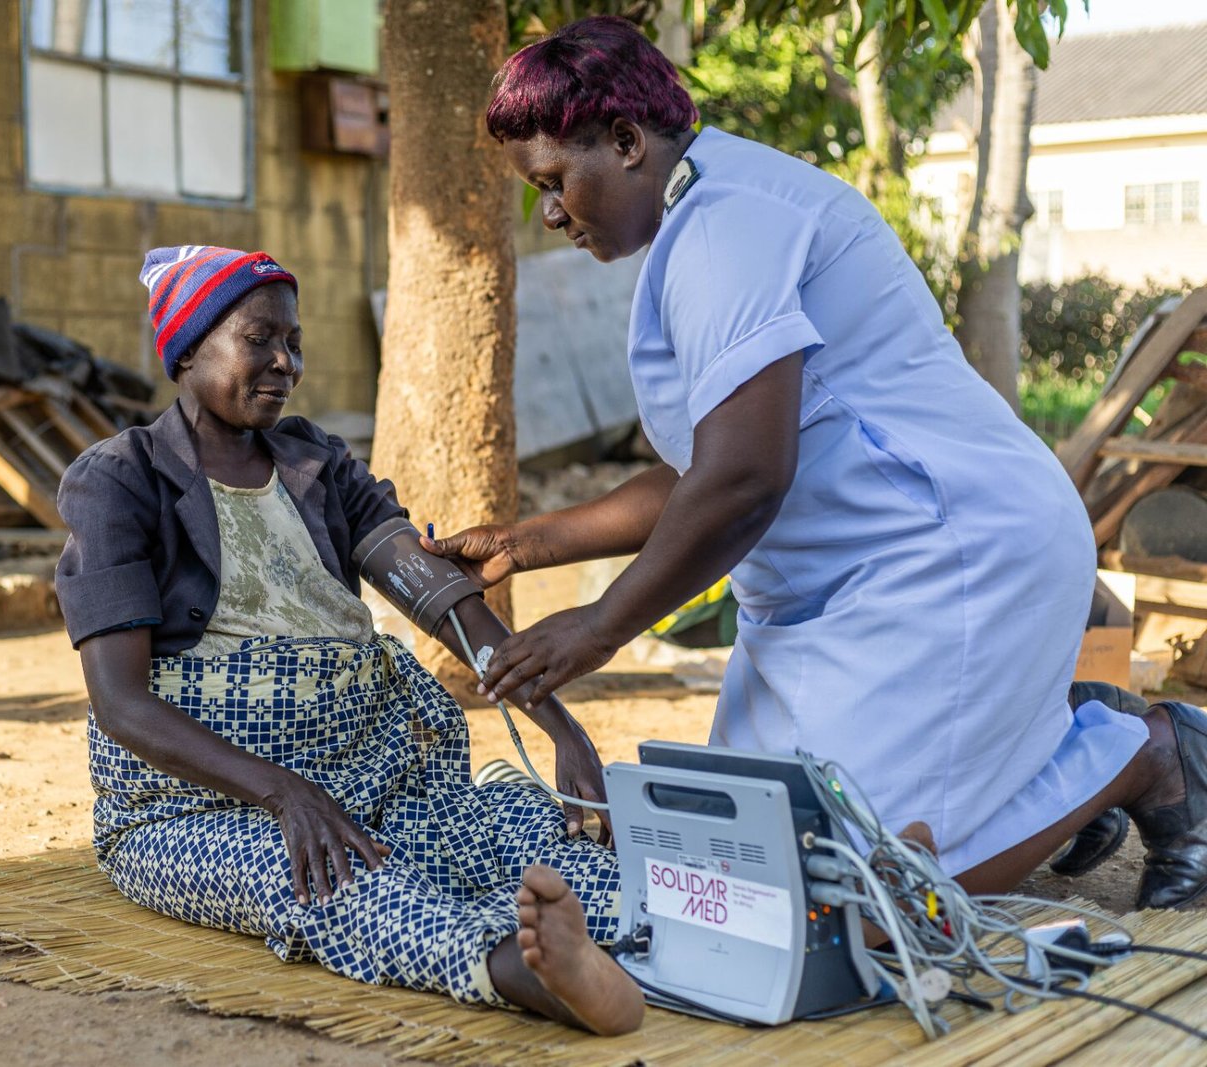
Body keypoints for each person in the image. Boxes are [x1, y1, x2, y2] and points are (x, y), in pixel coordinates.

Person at [428, 16, 1207, 909]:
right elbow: (703, 471)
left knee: (845, 896)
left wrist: (601, 627)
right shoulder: (700, 221)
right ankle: (1041, 751)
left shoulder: (725, 229)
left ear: (627, 141)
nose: (551, 212)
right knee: (736, 859)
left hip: (952, 560)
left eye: (554, 181)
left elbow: (745, 478)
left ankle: (1141, 757)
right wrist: (526, 544)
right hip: (846, 589)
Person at [55, 244, 643, 1034]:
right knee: (327, 879)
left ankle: (657, 928)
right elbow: (120, 702)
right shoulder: (119, 479)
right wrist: (285, 792)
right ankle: (524, 971)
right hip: (191, 809)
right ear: (188, 348)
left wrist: (562, 728)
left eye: (293, 342)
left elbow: (444, 602)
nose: (285, 363)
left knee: (528, 826)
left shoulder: (318, 464)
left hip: (369, 779)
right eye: (259, 339)